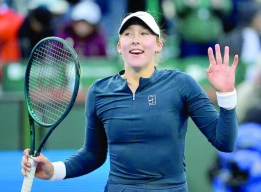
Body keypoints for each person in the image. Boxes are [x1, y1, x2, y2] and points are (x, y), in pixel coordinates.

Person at [21, 11, 239, 192]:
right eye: (128, 33)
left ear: (158, 45)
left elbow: (225, 142)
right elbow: (93, 154)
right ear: (119, 46)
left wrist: (226, 95)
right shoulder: (100, 91)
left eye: (144, 33)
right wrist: (53, 171)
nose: (135, 38)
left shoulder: (182, 84)